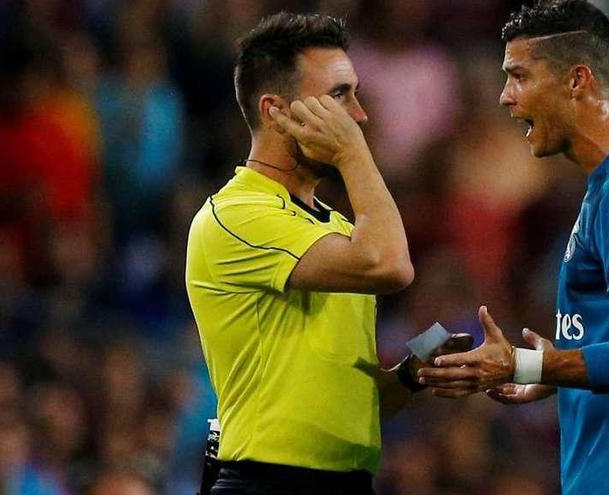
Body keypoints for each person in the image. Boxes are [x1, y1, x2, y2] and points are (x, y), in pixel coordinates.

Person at [418, 1, 609, 494]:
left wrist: (528, 364)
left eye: (519, 76)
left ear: (577, 80)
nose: (504, 97)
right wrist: (566, 372)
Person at [185, 12, 469, 495]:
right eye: (339, 96)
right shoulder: (237, 216)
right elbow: (392, 266)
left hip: (344, 481)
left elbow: (352, 407)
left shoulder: (337, 229)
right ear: (274, 110)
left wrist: (410, 376)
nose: (359, 115)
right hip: (267, 482)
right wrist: (355, 155)